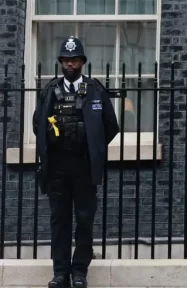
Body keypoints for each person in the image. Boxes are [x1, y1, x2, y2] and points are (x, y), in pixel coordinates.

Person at [33, 37, 119, 288]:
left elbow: (110, 126)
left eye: (74, 60)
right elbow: (38, 124)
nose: (70, 64)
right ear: (61, 62)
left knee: (84, 218)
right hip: (58, 166)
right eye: (66, 60)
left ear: (82, 62)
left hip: (83, 166)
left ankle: (79, 271)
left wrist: (93, 146)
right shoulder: (50, 89)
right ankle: (60, 273)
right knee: (59, 220)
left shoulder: (95, 89)